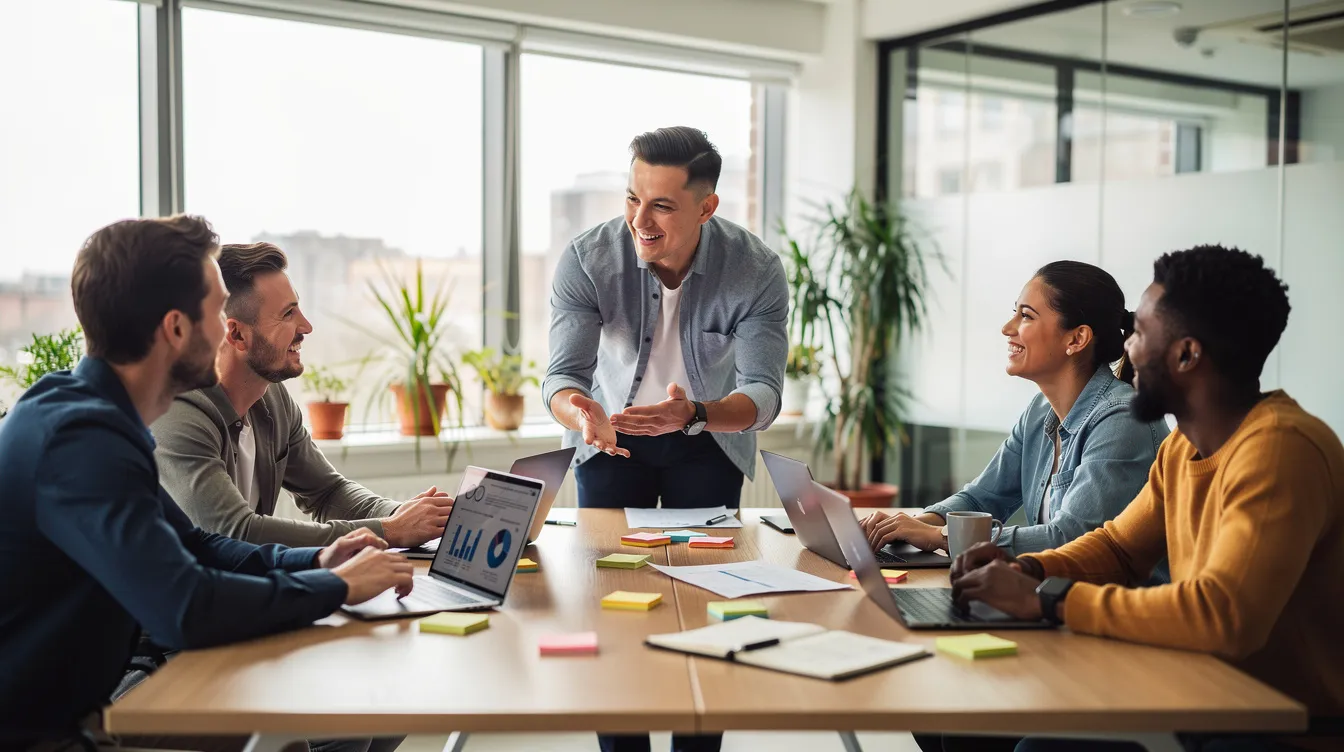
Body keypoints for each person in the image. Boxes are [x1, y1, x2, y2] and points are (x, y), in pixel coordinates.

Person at [0, 216, 413, 752]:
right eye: (217, 312)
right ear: (176, 329)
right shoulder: (81, 442)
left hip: (76, 711)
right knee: (286, 739)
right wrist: (335, 587)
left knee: (364, 714)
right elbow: (186, 608)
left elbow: (195, 544)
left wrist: (318, 561)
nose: (226, 332)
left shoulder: (91, 414)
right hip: (49, 734)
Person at [951, 245, 1344, 752]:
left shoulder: (1280, 448)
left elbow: (1221, 616)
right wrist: (1028, 569)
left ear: (1185, 355)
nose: (1127, 350)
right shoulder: (1182, 449)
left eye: (1139, 334)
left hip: (1276, 731)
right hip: (1196, 694)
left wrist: (1049, 599)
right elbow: (1117, 548)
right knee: (965, 724)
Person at [542, 126, 787, 752]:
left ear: (707, 207)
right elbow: (562, 378)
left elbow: (763, 395)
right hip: (610, 437)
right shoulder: (589, 258)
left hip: (707, 439)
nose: (639, 220)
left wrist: (695, 413)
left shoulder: (755, 269)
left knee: (707, 608)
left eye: (661, 206)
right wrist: (581, 413)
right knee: (611, 606)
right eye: (632, 198)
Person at [860, 262, 1170, 566]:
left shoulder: (1122, 419)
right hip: (1051, 592)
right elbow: (981, 499)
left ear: (1076, 339)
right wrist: (910, 525)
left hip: (1108, 599)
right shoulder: (1040, 411)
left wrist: (940, 536)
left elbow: (1072, 539)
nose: (1007, 329)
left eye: (1026, 316)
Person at [151, 241, 452, 548]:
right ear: (237, 334)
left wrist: (407, 516)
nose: (306, 326)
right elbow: (235, 532)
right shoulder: (176, 412)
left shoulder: (273, 399)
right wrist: (388, 530)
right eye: (288, 314)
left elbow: (328, 493)